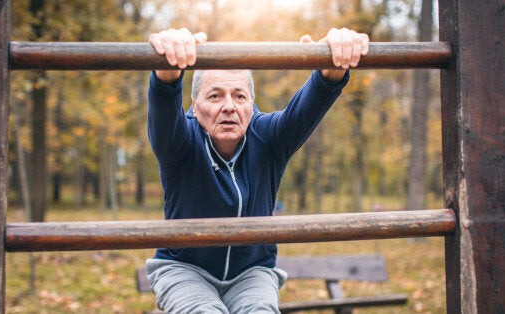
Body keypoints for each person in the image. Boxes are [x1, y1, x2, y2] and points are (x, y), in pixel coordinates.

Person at [145, 27, 369, 313]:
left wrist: (335, 58)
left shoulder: (270, 138)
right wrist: (168, 66)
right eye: (215, 96)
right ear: (195, 107)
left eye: (239, 96)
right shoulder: (179, 142)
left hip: (251, 273)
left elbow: (315, 99)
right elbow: (163, 103)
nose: (229, 106)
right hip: (184, 270)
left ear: (251, 105)